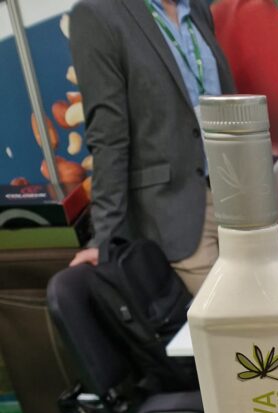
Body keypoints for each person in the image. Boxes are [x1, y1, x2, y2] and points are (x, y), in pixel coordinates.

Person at [68, 0, 235, 295]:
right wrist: (105, 239)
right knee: (228, 317)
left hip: (235, 196)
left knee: (266, 311)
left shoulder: (196, 8)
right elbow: (108, 138)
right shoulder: (97, 14)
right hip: (177, 212)